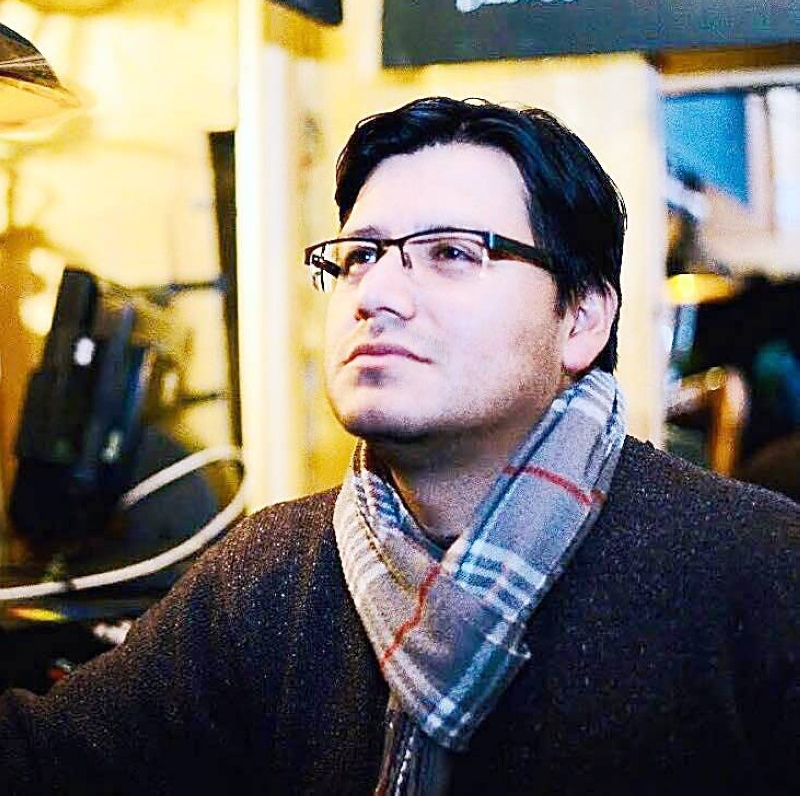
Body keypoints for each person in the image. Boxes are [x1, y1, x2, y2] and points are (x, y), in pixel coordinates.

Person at [2, 96, 799, 795]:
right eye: (358, 257)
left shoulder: (757, 573)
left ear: (583, 318)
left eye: (451, 253)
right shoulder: (269, 575)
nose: (376, 294)